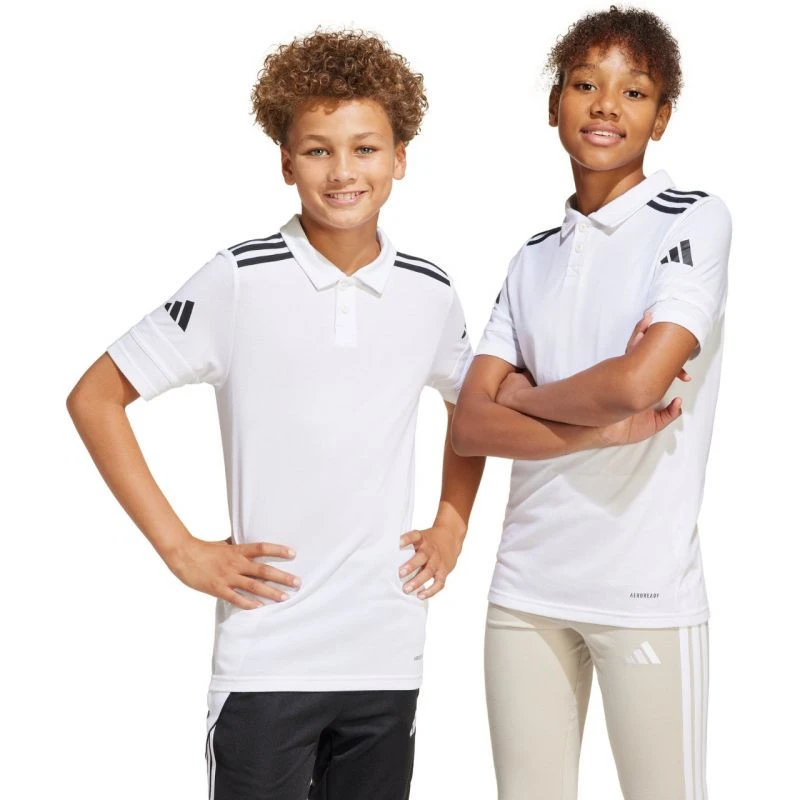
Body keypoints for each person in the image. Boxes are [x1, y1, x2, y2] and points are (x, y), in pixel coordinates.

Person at [66, 29, 489, 800]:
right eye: (318, 150)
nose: (343, 171)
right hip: (266, 657)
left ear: (400, 158)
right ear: (287, 162)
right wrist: (180, 550)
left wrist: (452, 523)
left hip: (386, 653)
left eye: (365, 148)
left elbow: (472, 408)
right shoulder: (239, 279)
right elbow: (96, 397)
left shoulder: (431, 291)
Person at [452, 7, 731, 800]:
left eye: (634, 91)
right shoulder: (531, 258)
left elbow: (639, 384)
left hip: (645, 591)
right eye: (585, 85)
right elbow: (470, 424)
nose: (606, 105)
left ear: (661, 117)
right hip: (524, 591)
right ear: (555, 104)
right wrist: (597, 429)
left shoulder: (694, 219)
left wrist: (526, 396)